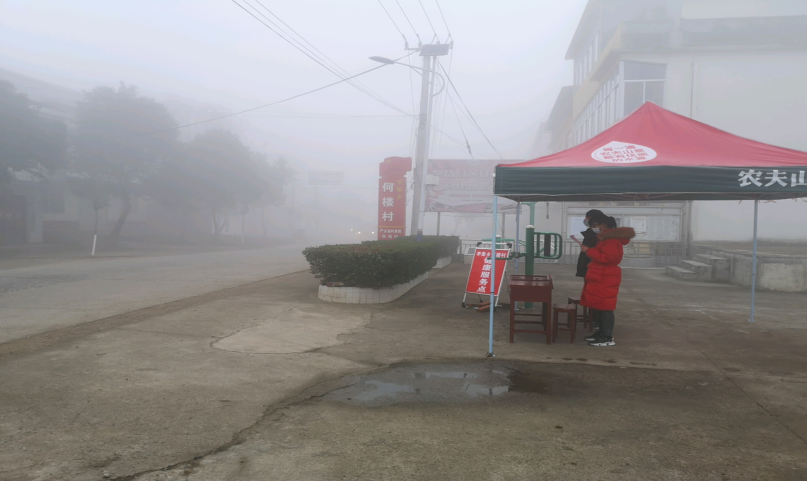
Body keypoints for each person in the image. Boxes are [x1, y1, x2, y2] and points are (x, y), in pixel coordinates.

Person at [579, 214, 635, 347]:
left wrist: (589, 251)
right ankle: (601, 333)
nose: (592, 228)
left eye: (594, 226)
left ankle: (607, 337)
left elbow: (609, 258)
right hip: (601, 275)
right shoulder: (605, 239)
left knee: (605, 308)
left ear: (603, 226)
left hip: (605, 276)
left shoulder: (611, 240)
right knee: (599, 306)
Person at [575, 209, 606, 278]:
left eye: (588, 218)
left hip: (596, 268)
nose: (586, 220)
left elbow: (605, 256)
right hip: (588, 265)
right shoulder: (590, 232)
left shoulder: (604, 236)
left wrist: (588, 250)